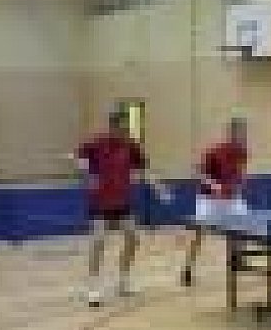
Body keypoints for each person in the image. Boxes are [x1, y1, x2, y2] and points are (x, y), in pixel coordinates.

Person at [76, 109, 170, 307]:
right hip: (100, 202)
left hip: (123, 201)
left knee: (133, 238)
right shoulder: (96, 143)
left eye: (126, 128)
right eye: (121, 127)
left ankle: (123, 280)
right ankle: (93, 287)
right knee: (99, 240)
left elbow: (145, 169)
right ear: (112, 126)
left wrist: (159, 187)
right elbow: (82, 158)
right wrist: (87, 175)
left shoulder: (131, 146)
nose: (124, 131)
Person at [181, 117, 249, 287]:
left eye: (244, 133)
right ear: (231, 134)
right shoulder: (215, 152)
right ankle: (188, 268)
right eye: (240, 133)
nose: (243, 137)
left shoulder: (242, 153)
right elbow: (197, 171)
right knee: (199, 233)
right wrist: (214, 185)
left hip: (230, 198)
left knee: (244, 223)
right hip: (209, 199)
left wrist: (238, 185)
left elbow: (240, 172)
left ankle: (237, 258)